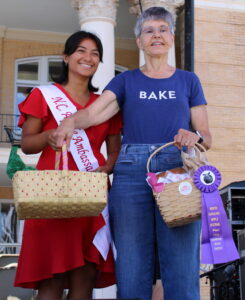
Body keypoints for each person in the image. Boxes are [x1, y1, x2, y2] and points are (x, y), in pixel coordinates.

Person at [52, 7, 212, 300]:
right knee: (132, 262)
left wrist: (194, 135)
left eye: (163, 29)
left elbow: (206, 135)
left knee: (181, 262)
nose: (156, 35)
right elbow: (92, 114)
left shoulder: (189, 81)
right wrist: (69, 123)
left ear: (172, 38)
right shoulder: (126, 81)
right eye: (148, 30)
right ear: (139, 40)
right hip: (130, 170)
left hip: (177, 168)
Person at [14, 31, 122, 300]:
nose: (88, 58)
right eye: (81, 51)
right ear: (66, 57)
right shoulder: (44, 95)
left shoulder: (105, 105)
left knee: (83, 278)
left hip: (90, 197)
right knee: (50, 282)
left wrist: (107, 168)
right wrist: (47, 137)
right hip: (50, 196)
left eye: (95, 54)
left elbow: (114, 152)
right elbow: (27, 144)